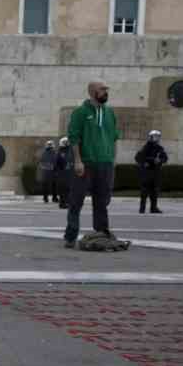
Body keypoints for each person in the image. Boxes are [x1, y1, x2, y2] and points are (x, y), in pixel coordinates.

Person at [63, 81, 118, 247]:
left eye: (106, 90)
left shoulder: (110, 113)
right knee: (76, 201)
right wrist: (78, 161)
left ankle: (101, 233)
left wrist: (113, 160)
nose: (106, 92)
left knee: (102, 201)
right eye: (103, 90)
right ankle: (71, 235)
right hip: (86, 163)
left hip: (105, 163)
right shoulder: (80, 113)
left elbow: (114, 138)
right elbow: (74, 138)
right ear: (93, 92)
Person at [134, 130, 167, 214]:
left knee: (155, 191)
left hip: (155, 172)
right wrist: (149, 161)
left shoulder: (160, 148)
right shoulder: (146, 147)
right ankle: (142, 208)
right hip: (147, 172)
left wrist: (160, 161)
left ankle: (153, 208)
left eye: (157, 136)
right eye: (155, 136)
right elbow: (138, 157)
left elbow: (165, 158)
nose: (156, 138)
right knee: (144, 191)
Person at [54, 137, 71, 209]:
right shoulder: (59, 152)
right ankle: (62, 203)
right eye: (65, 142)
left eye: (67, 142)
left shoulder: (69, 151)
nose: (66, 144)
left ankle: (67, 202)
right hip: (62, 173)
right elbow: (56, 164)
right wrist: (57, 172)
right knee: (63, 189)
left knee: (68, 189)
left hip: (68, 173)